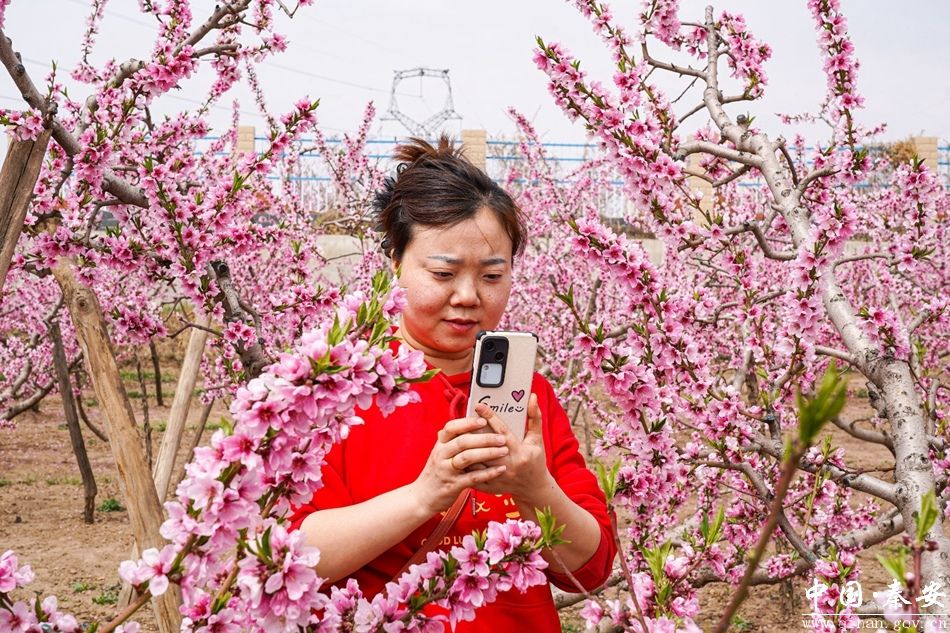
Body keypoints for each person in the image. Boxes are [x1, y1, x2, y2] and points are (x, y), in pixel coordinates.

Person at [290, 136, 615, 630]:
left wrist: (536, 489)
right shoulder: (334, 388)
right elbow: (293, 559)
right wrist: (425, 495)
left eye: (492, 276)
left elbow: (590, 568)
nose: (468, 296)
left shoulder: (530, 396)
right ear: (395, 262)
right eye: (443, 273)